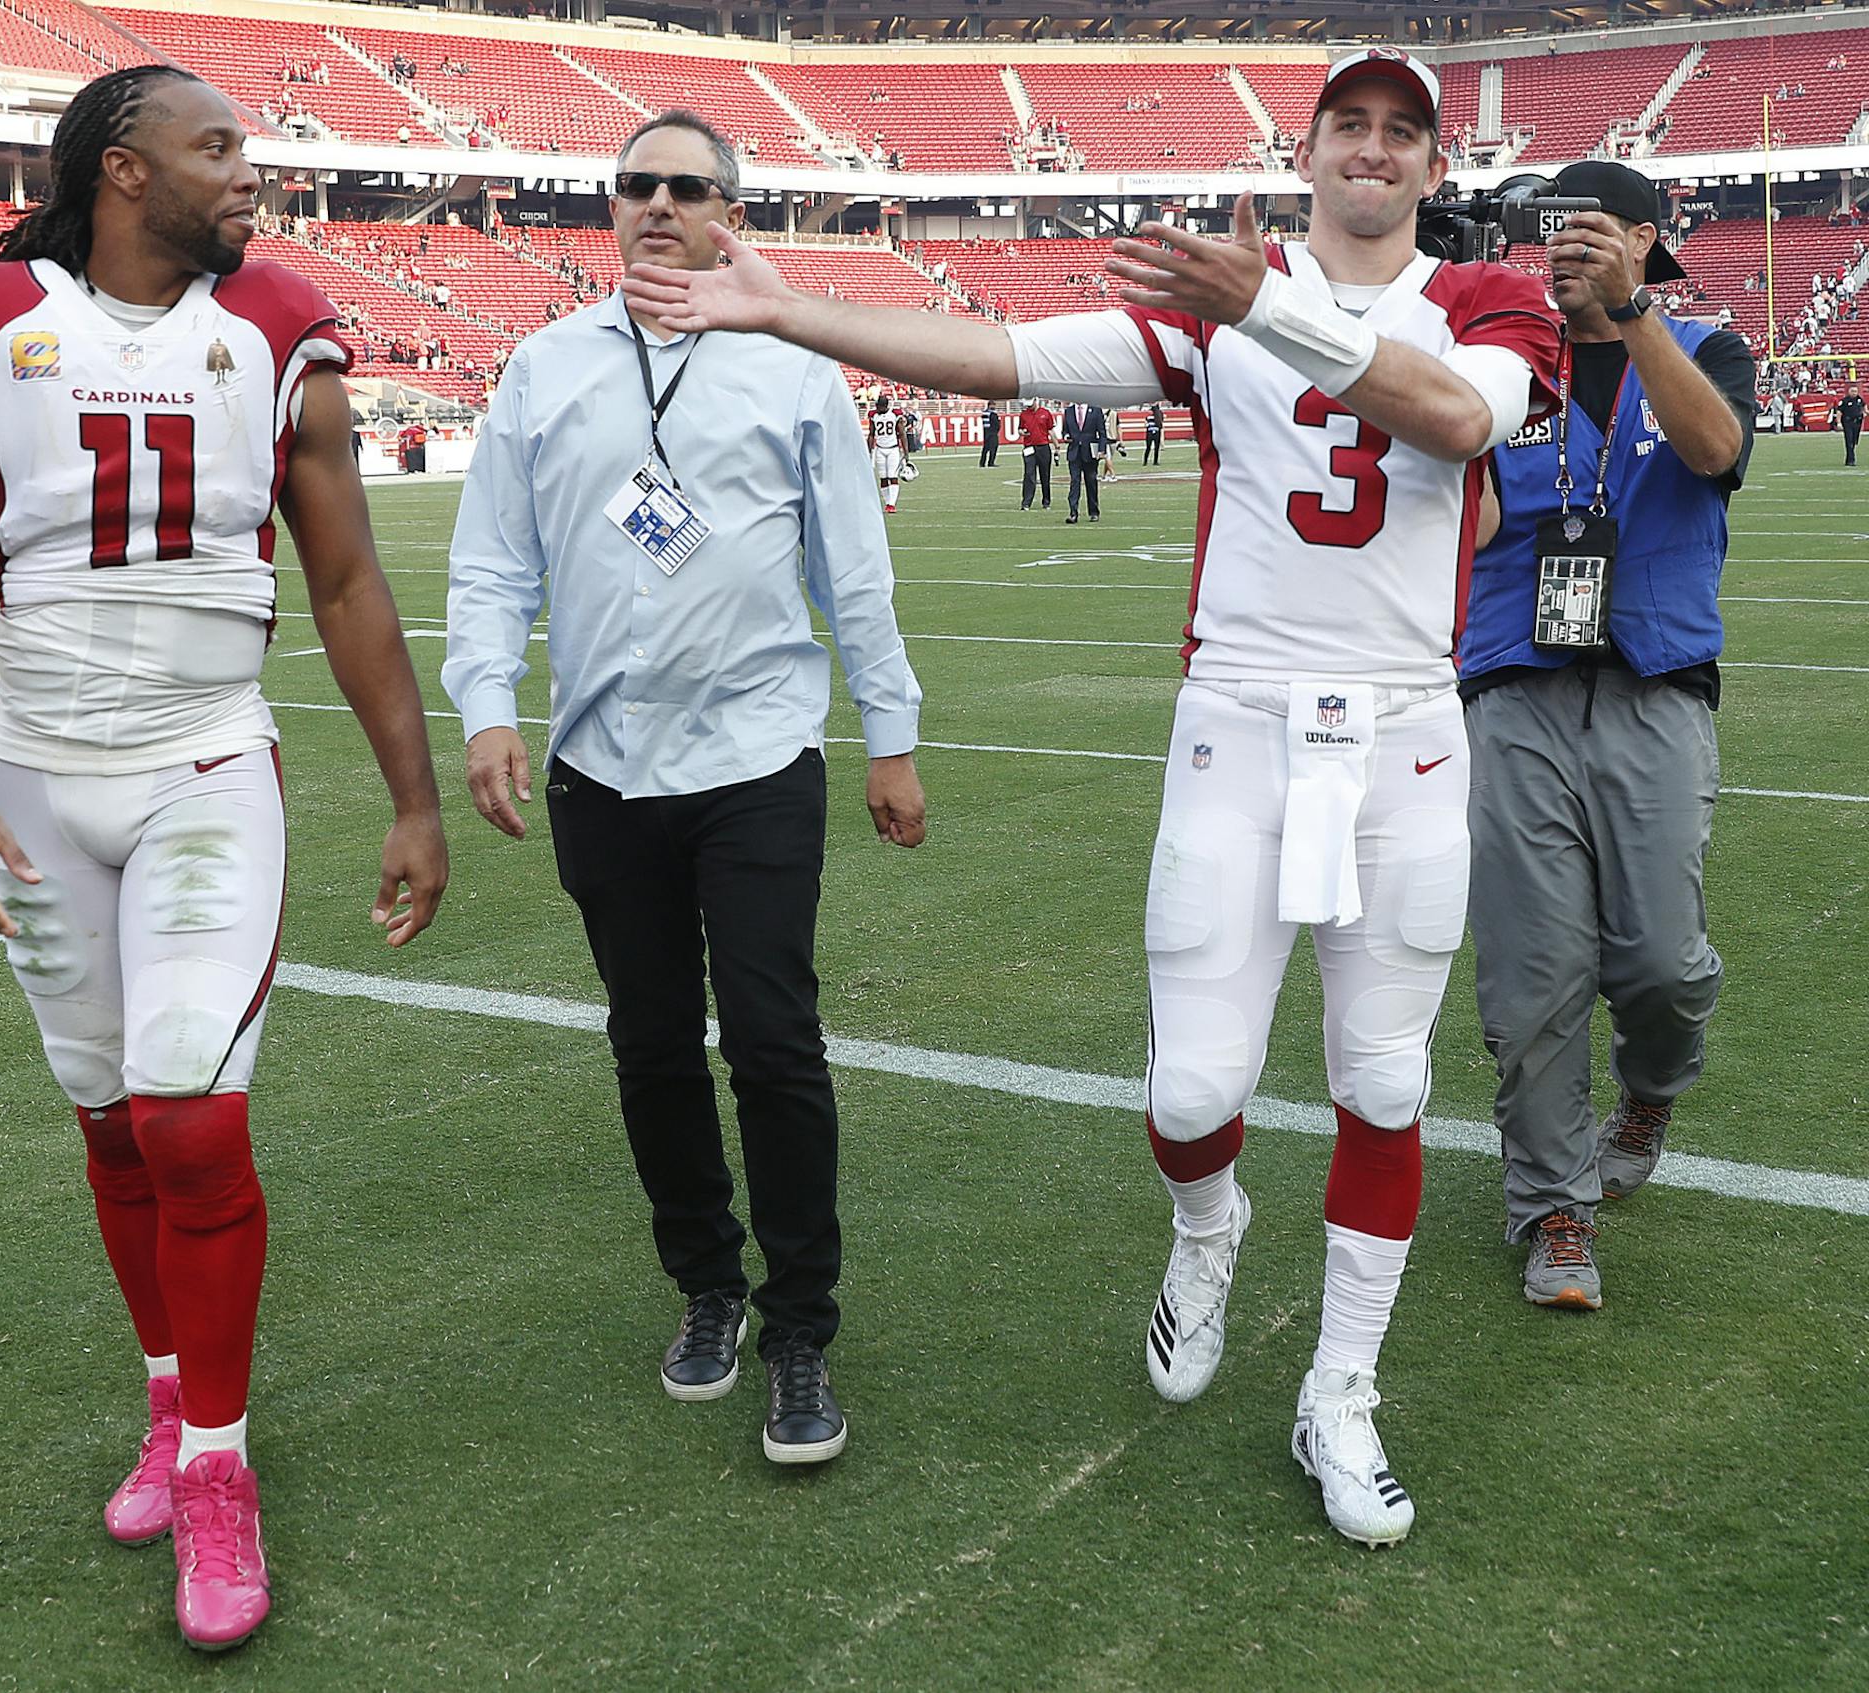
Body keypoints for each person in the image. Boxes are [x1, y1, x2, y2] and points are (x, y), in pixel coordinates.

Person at [623, 47, 1560, 1548]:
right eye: (1351, 127)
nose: (1376, 151)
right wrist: (791, 309)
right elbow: (1007, 360)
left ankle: (1342, 1388)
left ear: (1433, 170)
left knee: (1382, 1081)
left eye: (1404, 134)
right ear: (1305, 154)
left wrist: (1258, 299)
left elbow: (1456, 419)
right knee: (1192, 1093)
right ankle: (1208, 1228)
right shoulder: (1213, 321)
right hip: (1236, 722)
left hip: (1403, 733)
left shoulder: (1483, 298)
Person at [0, 66, 450, 1653]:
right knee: (114, 1123)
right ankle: (166, 1395)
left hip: (207, 765)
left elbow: (344, 580)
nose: (250, 175)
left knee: (193, 1111)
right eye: (220, 149)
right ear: (124, 171)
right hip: (41, 782)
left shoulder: (276, 322)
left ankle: (218, 1467)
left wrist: (410, 795)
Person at [443, 109, 926, 1470]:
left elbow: (853, 572)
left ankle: (802, 1328)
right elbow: (493, 566)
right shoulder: (543, 371)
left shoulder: (795, 366)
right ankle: (706, 1285)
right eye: (637, 185)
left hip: (759, 755)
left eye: (687, 187)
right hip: (601, 766)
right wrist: (486, 710)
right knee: (651, 1044)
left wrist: (889, 733)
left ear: (731, 213)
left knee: (773, 1040)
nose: (659, 203)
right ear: (612, 207)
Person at [1462, 161, 1753, 1312]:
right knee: (1531, 977)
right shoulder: (1499, 369)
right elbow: (1464, 516)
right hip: (1514, 688)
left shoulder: (1704, 346)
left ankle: (1653, 1084)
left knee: (1664, 965)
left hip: (1656, 685)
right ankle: (1553, 1211)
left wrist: (1633, 313)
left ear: (1644, 238)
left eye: (1592, 233)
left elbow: (1715, 452)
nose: (1567, 252)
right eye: (1555, 234)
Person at [1061, 399, 1108, 522]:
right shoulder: (1069, 412)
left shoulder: (1096, 410)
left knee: (1091, 482)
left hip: (1090, 453)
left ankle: (1094, 512)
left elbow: (1102, 433)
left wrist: (1101, 450)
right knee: (1074, 482)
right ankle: (1073, 513)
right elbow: (1065, 430)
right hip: (1074, 453)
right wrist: (1066, 436)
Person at [868, 390, 906, 513]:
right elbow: (871, 434)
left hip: (893, 449)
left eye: (878, 406)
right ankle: (887, 502)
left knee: (892, 476)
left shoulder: (895, 414)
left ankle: (892, 504)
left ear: (884, 406)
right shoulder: (873, 415)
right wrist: (869, 451)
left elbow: (902, 433)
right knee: (883, 477)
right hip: (880, 449)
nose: (876, 408)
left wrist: (906, 452)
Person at [1018, 395, 1055, 509]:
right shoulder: (1024, 414)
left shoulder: (1046, 413)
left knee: (1045, 475)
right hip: (1029, 447)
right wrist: (1022, 432)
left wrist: (1056, 444)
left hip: (1043, 447)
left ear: (1036, 401)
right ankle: (1026, 503)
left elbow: (1050, 430)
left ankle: (1046, 501)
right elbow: (1020, 429)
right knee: (1029, 475)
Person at [1840, 381, 1863, 466]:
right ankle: (1851, 460)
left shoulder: (1859, 399)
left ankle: (1848, 459)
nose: (1854, 393)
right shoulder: (1845, 401)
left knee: (1854, 441)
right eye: (1852, 391)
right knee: (1849, 441)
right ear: (1849, 391)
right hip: (1848, 422)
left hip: (1857, 423)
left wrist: (1865, 412)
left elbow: (1864, 406)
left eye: (1855, 391)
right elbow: (1839, 412)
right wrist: (1839, 422)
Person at [979, 398, 999, 467]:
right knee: (993, 448)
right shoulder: (993, 413)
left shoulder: (984, 413)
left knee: (985, 448)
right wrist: (996, 430)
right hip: (992, 433)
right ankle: (991, 462)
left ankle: (982, 463)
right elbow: (996, 424)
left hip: (986, 432)